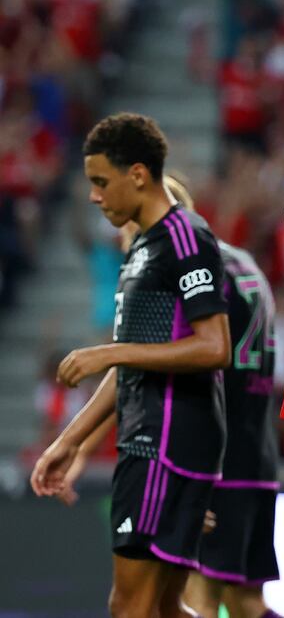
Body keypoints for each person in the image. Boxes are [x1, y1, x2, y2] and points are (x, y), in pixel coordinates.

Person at [51, 175, 284, 618]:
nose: (132, 253)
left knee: (189, 600)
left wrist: (74, 441)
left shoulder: (188, 272)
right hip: (258, 460)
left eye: (132, 238)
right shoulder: (245, 265)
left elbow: (144, 366)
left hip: (209, 462)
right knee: (246, 604)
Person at [30, 113, 231, 617]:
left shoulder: (185, 237)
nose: (96, 197)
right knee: (162, 608)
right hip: (148, 438)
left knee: (129, 607)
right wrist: (68, 442)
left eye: (101, 182)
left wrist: (112, 350)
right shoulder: (141, 249)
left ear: (137, 174)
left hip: (167, 442)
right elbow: (129, 368)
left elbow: (214, 347)